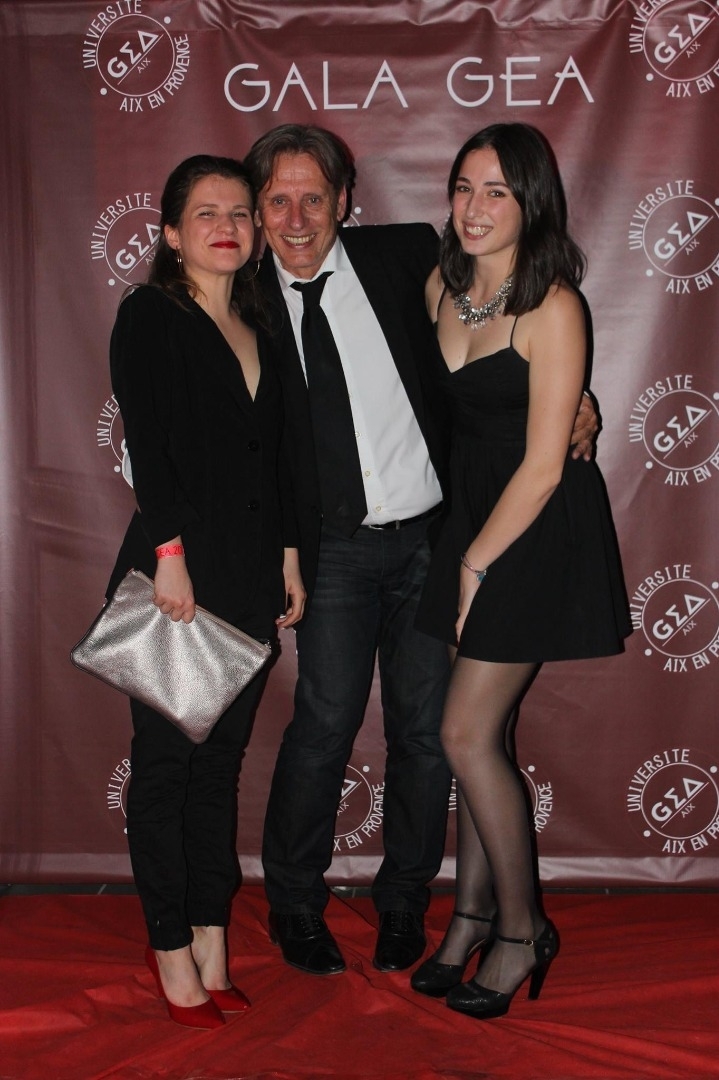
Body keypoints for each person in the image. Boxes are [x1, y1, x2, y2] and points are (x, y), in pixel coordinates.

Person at [243, 124, 599, 977]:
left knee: (430, 736)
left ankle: (407, 900)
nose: (297, 219)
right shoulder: (239, 300)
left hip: (434, 539)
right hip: (330, 549)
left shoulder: (406, 258)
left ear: (345, 201)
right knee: (323, 727)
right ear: (256, 212)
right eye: (277, 201)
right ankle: (294, 903)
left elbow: (511, 357)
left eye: (314, 198)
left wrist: (575, 405)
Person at [411, 123, 631, 1019]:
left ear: (531, 202)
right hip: (466, 516)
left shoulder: (554, 305)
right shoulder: (438, 282)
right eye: (463, 187)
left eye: (497, 191)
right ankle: (469, 916)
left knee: (464, 736)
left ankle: (519, 930)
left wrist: (472, 565)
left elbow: (543, 465)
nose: (474, 207)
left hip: (531, 531)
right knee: (481, 739)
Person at [106, 154, 305, 1027]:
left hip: (253, 575)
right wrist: (169, 555)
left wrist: (288, 556)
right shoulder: (150, 314)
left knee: (219, 769)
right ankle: (169, 950)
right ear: (171, 233)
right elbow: (149, 447)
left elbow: (281, 458)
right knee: (166, 768)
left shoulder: (263, 321)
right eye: (206, 213)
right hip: (178, 577)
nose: (227, 226)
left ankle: (211, 936)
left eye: (239, 213)